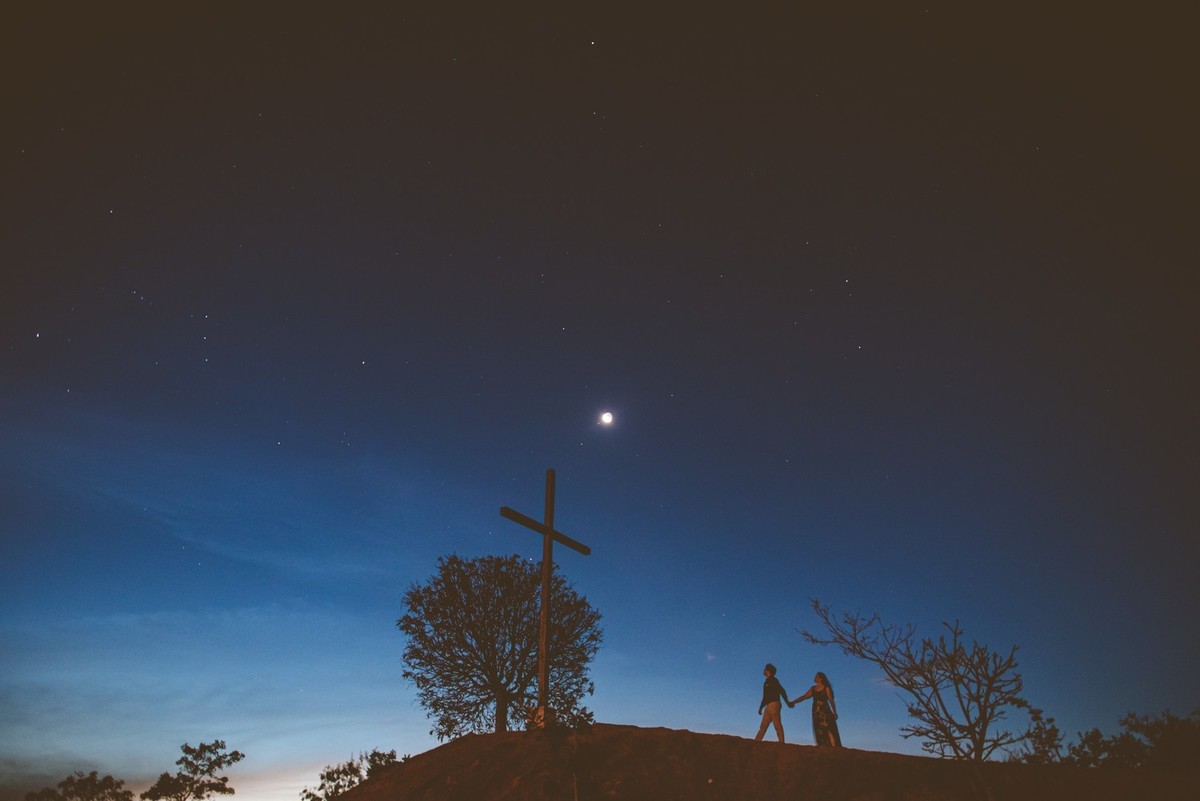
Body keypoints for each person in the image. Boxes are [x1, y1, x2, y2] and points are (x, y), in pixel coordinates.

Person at [788, 671, 842, 747]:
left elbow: (831, 700)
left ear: (820, 678)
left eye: (816, 676)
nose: (814, 678)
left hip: (825, 711)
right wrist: (794, 702)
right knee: (819, 729)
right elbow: (804, 697)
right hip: (816, 712)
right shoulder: (813, 689)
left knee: (828, 728)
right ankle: (823, 746)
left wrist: (834, 712)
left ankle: (834, 746)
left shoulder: (826, 688)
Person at [754, 663, 789, 742]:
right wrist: (761, 707)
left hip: (774, 704)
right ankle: (756, 742)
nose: (763, 670)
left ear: (768, 671)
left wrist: (787, 702)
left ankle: (782, 743)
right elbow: (765, 697)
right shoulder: (767, 681)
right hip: (769, 706)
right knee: (763, 726)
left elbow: (782, 690)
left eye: (765, 669)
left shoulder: (773, 680)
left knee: (777, 724)